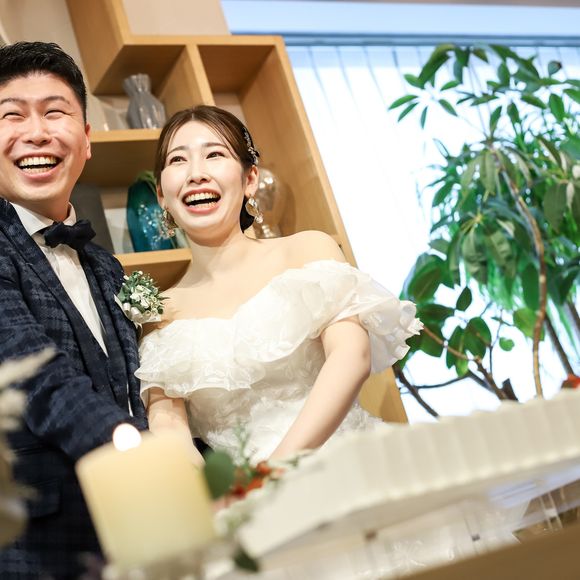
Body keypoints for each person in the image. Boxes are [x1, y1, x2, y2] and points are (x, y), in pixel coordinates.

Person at [136, 105, 422, 466]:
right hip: (248, 493)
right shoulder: (161, 312)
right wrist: (215, 492)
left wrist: (275, 472)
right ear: (162, 195)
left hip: (353, 467)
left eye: (214, 155)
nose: (196, 174)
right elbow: (169, 428)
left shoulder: (308, 251)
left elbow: (351, 357)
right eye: (178, 160)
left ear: (250, 179)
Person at [0, 42, 148, 578]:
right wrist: (144, 457)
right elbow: (35, 376)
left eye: (55, 112)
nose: (37, 132)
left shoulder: (107, 267)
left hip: (141, 534)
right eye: (12, 115)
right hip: (38, 548)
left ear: (86, 139)